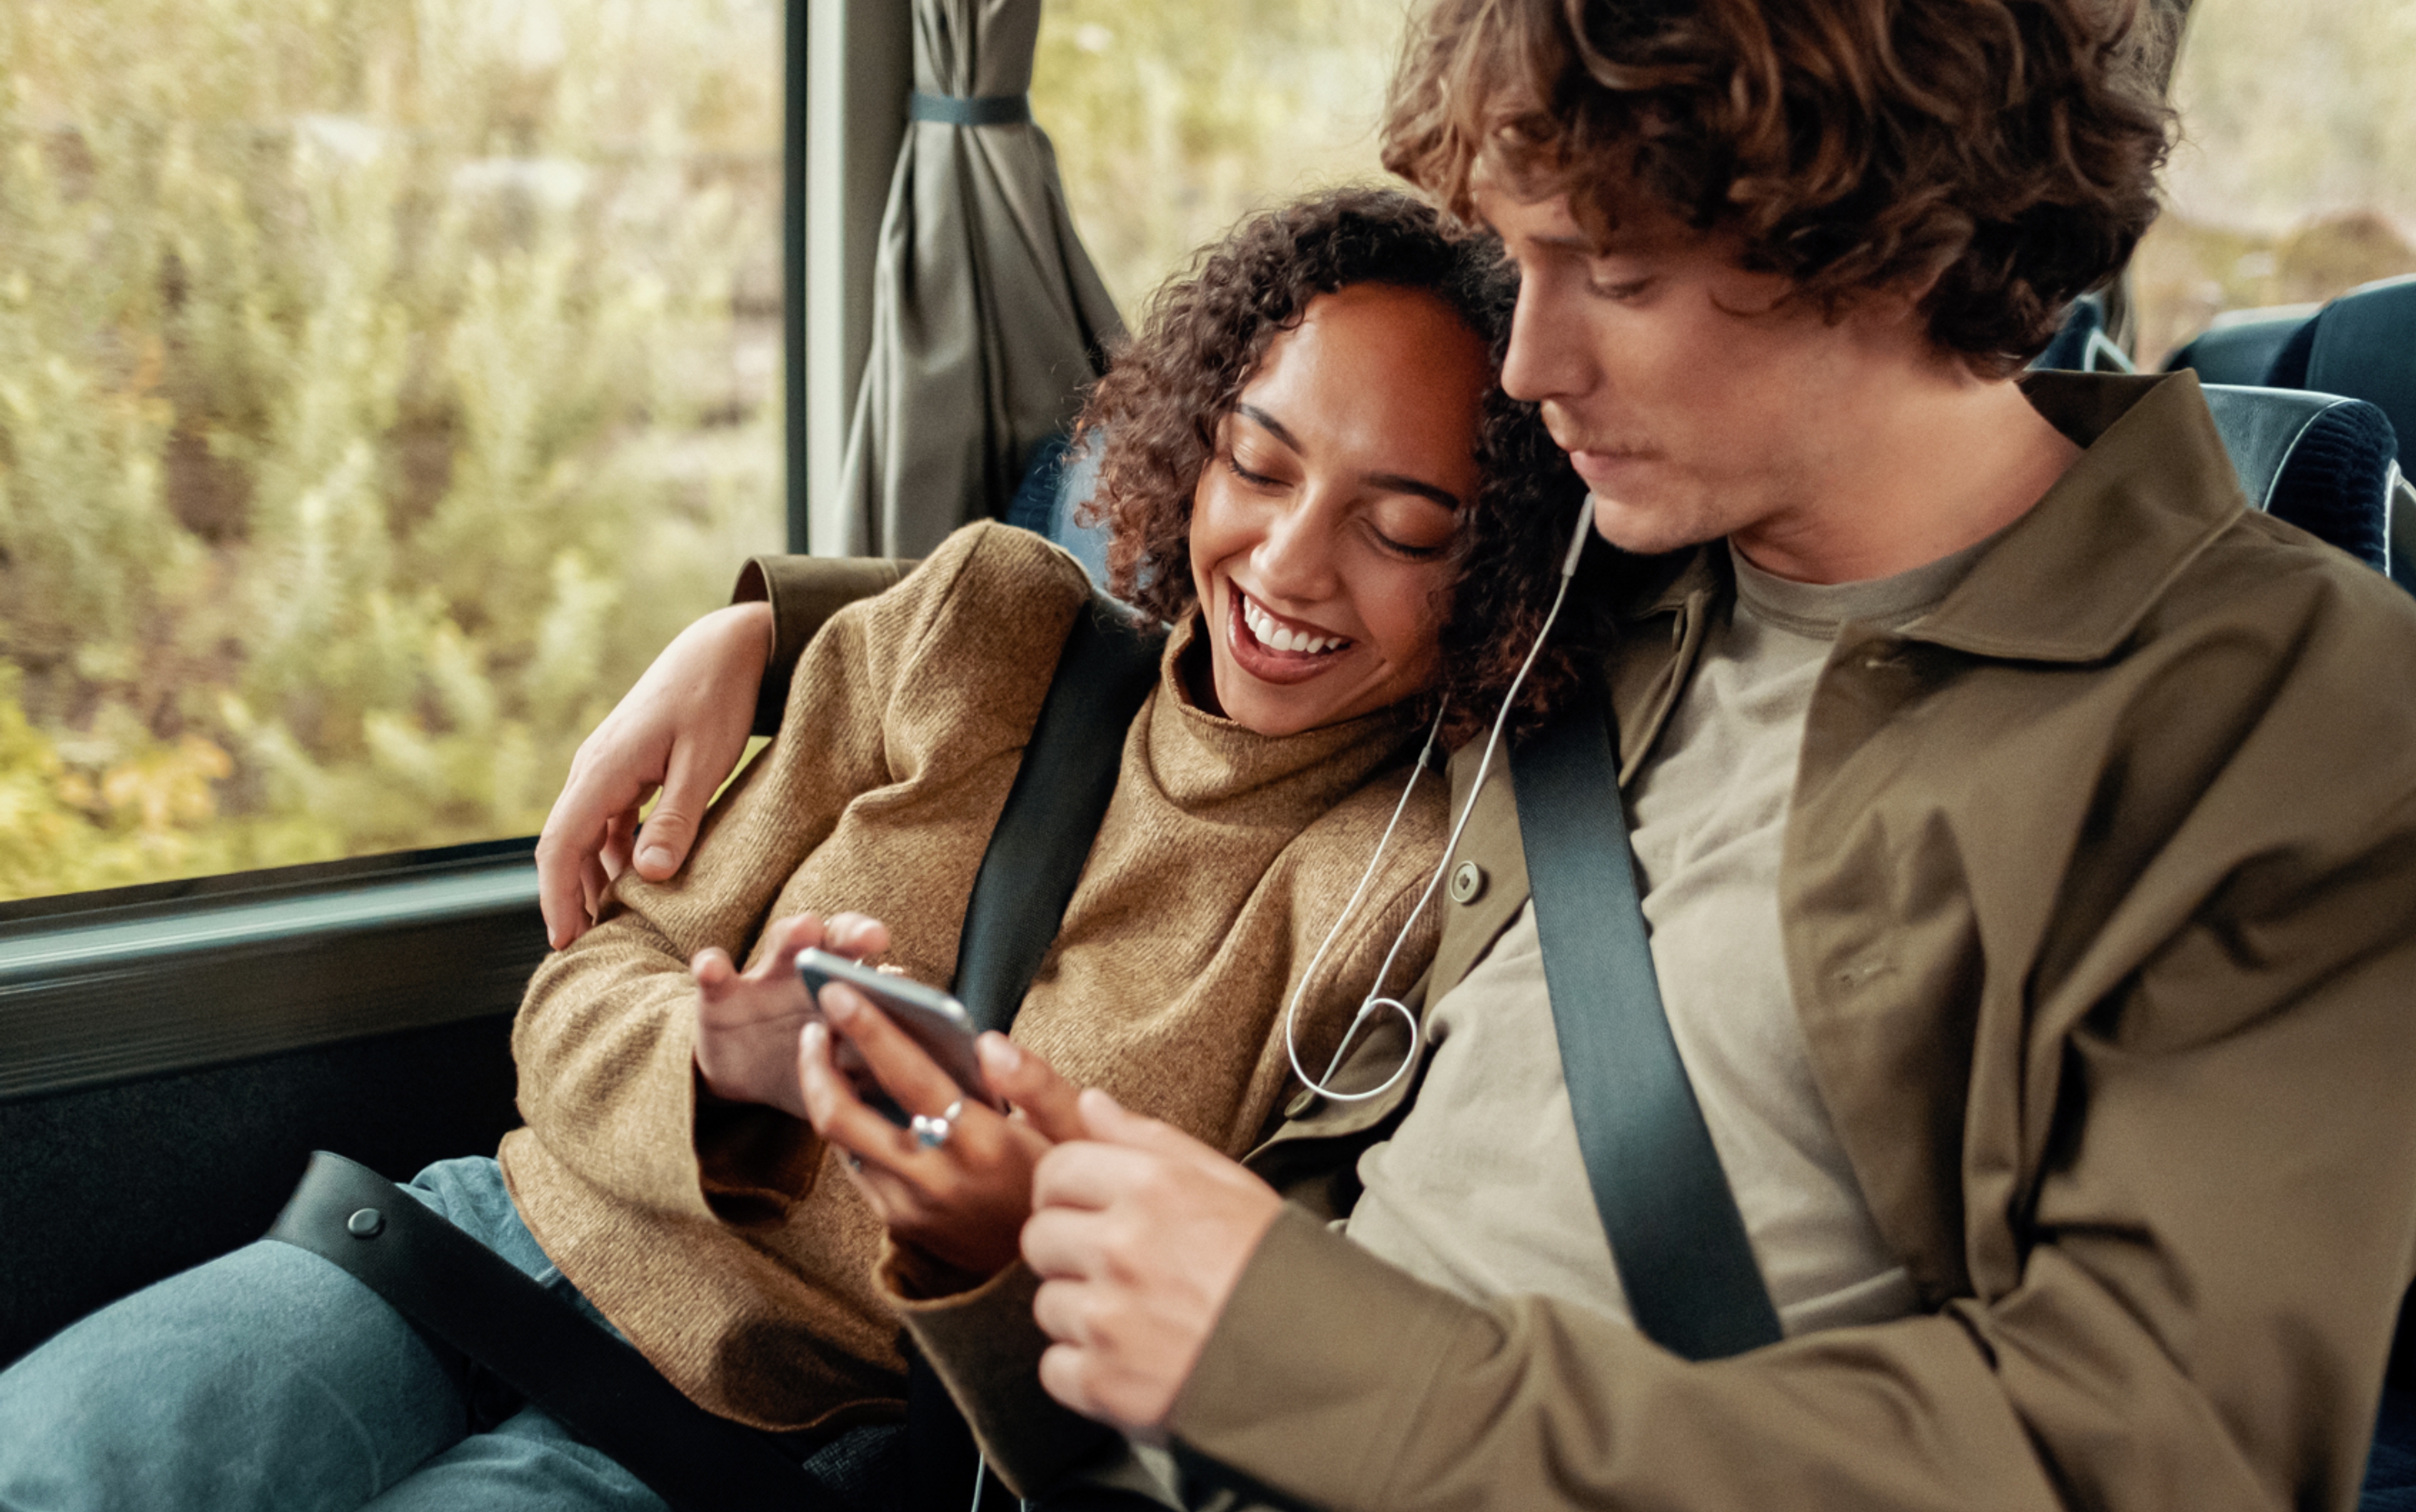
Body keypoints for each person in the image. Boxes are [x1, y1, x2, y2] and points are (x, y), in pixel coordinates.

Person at [537, 0, 2416, 1508]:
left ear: (1887, 249)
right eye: (1526, 260)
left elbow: (2163, 1467)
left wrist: (1293, 1349)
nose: (1533, 364)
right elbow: (1211, 586)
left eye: (1615, 281)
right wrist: (769, 628)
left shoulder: (2268, 708)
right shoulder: (1606, 583)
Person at [0, 188, 1611, 1511]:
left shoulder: (1393, 895)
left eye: (1404, 528)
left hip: (757, 1446)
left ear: (1504, 566)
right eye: (1257, 465)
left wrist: (998, 1235)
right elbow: (579, 995)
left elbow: (1210, 1374)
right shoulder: (980, 627)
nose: (1290, 560)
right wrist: (719, 1064)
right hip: (470, 1247)